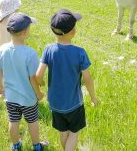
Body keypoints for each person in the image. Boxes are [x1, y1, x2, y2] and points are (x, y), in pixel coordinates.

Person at [36, 9, 98, 151]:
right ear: (73, 31)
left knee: (63, 132)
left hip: (55, 103)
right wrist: (93, 97)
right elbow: (87, 79)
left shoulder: (48, 49)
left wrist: (41, 84)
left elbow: (38, 75)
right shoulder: (79, 52)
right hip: (74, 103)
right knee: (74, 133)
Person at [0, 13, 47, 151]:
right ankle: (37, 146)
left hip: (10, 96)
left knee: (13, 121)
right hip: (28, 98)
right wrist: (39, 93)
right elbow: (33, 78)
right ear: (25, 32)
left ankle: (16, 145)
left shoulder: (2, 49)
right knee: (32, 121)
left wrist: (1, 86)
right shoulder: (30, 53)